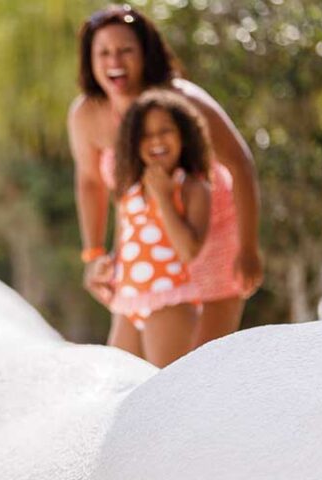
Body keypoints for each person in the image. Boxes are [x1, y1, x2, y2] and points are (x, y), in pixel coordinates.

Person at [67, 5, 263, 354]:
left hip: (209, 243)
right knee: (131, 373)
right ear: (89, 60)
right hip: (148, 256)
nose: (115, 60)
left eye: (126, 50)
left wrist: (248, 248)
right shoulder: (86, 115)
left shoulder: (181, 102)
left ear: (145, 53)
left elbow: (239, 164)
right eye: (104, 52)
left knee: (201, 371)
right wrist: (95, 253)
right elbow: (91, 183)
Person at [107, 89, 210, 367]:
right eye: (146, 134)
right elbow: (121, 245)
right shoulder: (129, 189)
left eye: (165, 131)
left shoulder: (192, 188)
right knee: (120, 387)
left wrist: (164, 197)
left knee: (165, 389)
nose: (156, 141)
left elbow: (189, 250)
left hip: (169, 299)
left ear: (184, 136)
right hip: (128, 302)